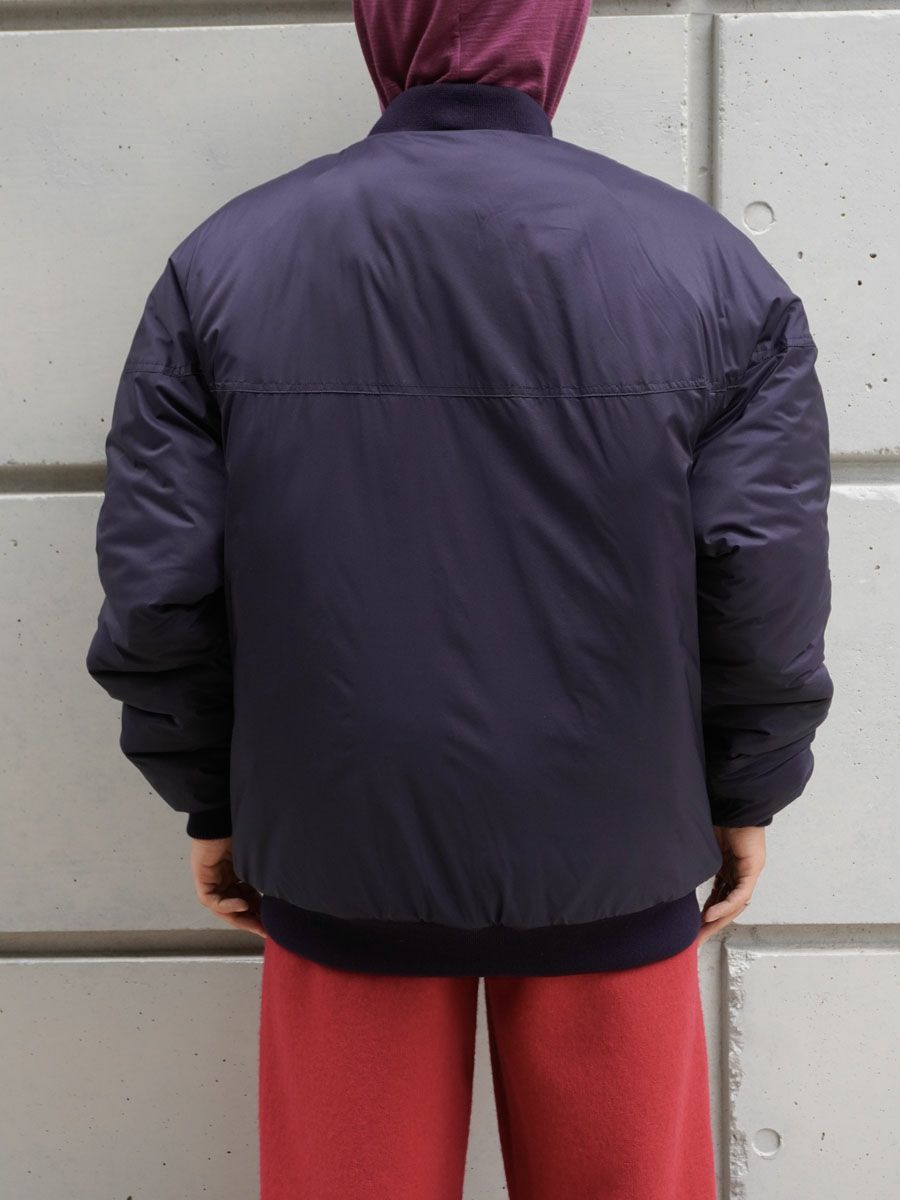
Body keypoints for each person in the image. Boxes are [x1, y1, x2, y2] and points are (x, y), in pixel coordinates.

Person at [85, 1, 835, 1196]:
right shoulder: (707, 269)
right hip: (612, 845)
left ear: (384, 27)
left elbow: (161, 577)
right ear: (558, 32)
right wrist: (750, 782)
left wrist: (208, 794)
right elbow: (762, 569)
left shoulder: (227, 263)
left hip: (340, 844)